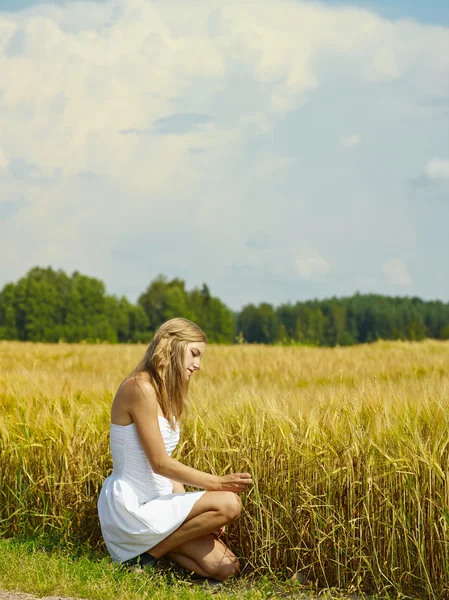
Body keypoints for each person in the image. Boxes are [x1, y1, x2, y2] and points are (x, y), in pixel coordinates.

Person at [97, 317, 253, 582]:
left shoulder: (167, 394)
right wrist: (217, 484)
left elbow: (167, 472)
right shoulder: (139, 387)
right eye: (194, 354)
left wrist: (192, 514)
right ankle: (148, 557)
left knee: (228, 567)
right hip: (133, 507)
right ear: (172, 345)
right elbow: (160, 463)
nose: (198, 365)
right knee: (228, 502)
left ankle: (143, 554)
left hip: (159, 503)